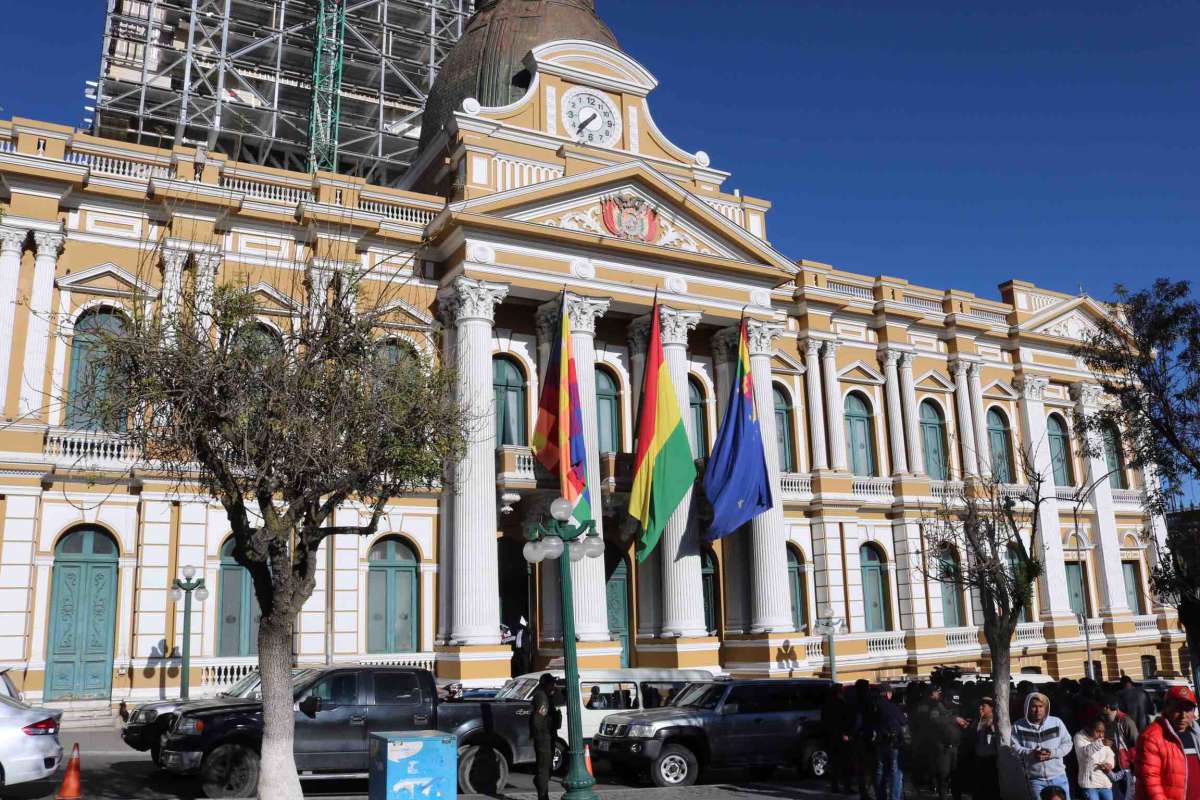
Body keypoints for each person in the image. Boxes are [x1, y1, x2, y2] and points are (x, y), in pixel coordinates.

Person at [1135, 685, 1200, 800]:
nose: (1183, 716)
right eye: (1177, 709)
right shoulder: (1151, 737)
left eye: (1188, 710)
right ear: (1167, 708)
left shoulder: (1196, 733)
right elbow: (1151, 781)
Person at [1013, 691, 1074, 798]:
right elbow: (1014, 748)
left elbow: (1068, 744)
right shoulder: (1018, 726)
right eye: (1034, 707)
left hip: (1058, 776)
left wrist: (1052, 753)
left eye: (1041, 706)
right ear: (1027, 707)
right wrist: (1031, 753)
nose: (1038, 710)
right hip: (1036, 779)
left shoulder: (1056, 722)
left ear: (1045, 707)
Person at [873, 684, 908, 800]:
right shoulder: (890, 706)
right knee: (896, 773)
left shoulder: (873, 706)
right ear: (888, 693)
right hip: (893, 743)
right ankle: (894, 797)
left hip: (879, 742)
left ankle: (880, 796)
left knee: (880, 771)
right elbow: (903, 721)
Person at [1102, 695, 1140, 800]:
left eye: (1102, 708)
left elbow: (1136, 745)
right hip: (1117, 766)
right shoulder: (1111, 721)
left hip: (1127, 768)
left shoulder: (1126, 721)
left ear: (1107, 707)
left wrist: (1135, 766)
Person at [530, 673, 560, 800]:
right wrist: (541, 735)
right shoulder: (542, 697)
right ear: (546, 684)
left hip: (548, 736)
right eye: (552, 683)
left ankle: (542, 790)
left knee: (547, 768)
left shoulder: (547, 696)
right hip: (544, 737)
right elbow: (539, 719)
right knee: (544, 769)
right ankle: (542, 796)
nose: (554, 685)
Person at [823, 683, 855, 794]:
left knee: (834, 764)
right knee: (845, 763)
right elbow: (845, 720)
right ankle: (846, 787)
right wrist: (846, 733)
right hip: (841, 738)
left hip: (831, 737)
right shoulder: (840, 704)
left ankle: (835, 786)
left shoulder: (827, 704)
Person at [1076, 717, 1117, 800]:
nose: (1101, 735)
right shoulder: (1079, 737)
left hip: (1105, 783)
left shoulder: (1101, 740)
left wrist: (1109, 764)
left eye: (1103, 732)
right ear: (1089, 729)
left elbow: (1110, 755)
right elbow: (1084, 753)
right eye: (1098, 731)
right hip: (1090, 785)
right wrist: (1101, 743)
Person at [972, 697, 1001, 800]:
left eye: (983, 706)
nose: (980, 708)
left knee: (990, 787)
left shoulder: (994, 721)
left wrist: (992, 728)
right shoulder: (978, 720)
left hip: (990, 760)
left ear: (991, 708)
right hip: (978, 758)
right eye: (980, 705)